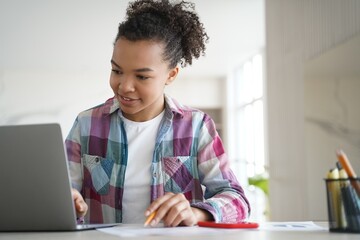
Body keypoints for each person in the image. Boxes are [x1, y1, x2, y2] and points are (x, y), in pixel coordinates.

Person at [66, 0, 250, 227]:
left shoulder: (196, 126)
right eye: (117, 71)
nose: (124, 86)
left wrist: (196, 213)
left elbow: (237, 200)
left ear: (171, 75)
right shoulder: (86, 124)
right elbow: (63, 192)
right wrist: (69, 201)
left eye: (141, 77)